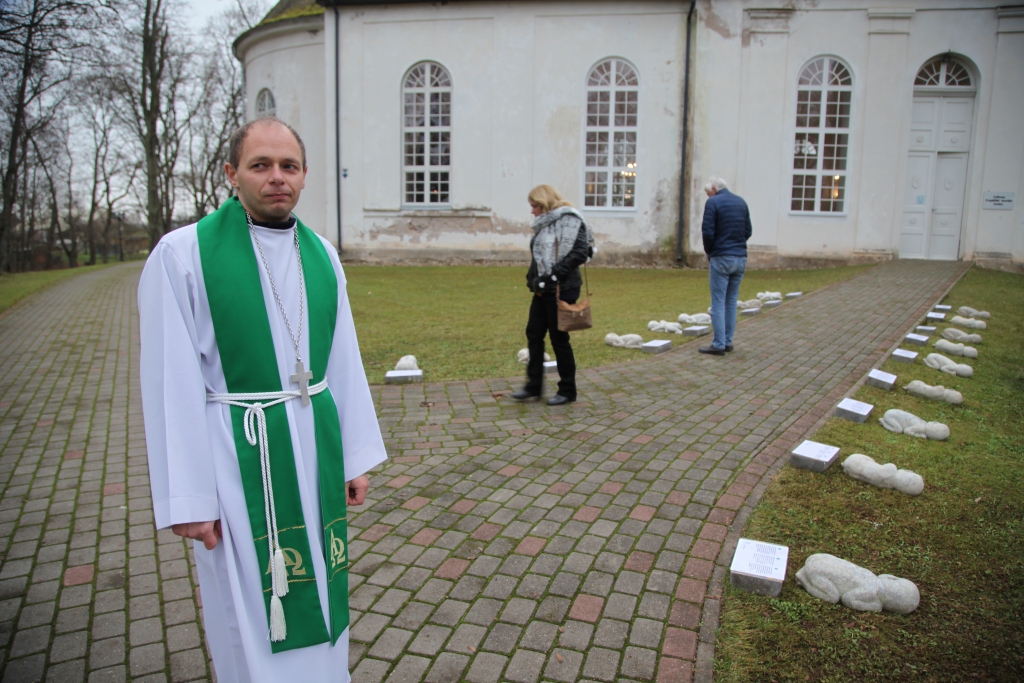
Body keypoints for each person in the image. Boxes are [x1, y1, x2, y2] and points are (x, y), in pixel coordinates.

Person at [137, 117, 387, 682]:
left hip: (314, 448)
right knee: (251, 605)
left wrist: (352, 458)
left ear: (304, 175)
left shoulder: (321, 254)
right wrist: (190, 498)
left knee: (322, 585)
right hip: (238, 456)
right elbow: (170, 381)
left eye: (289, 166)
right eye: (261, 165)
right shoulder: (183, 255)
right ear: (232, 173)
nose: (277, 177)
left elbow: (342, 358)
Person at [510, 185, 592, 406]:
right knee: (534, 333)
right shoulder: (544, 223)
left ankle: (567, 390)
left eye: (535, 206)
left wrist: (552, 277)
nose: (532, 211)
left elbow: (579, 253)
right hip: (542, 288)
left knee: (559, 338)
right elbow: (539, 257)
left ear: (545, 203)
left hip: (562, 288)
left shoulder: (570, 220)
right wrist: (534, 280)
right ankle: (533, 386)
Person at [699, 176, 752, 356]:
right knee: (731, 301)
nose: (708, 196)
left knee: (718, 301)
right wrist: (736, 244)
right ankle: (728, 341)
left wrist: (710, 251)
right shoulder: (741, 202)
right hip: (740, 257)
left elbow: (707, 232)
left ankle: (718, 344)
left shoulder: (713, 203)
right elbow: (748, 231)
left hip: (721, 257)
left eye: (708, 193)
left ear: (714, 189)